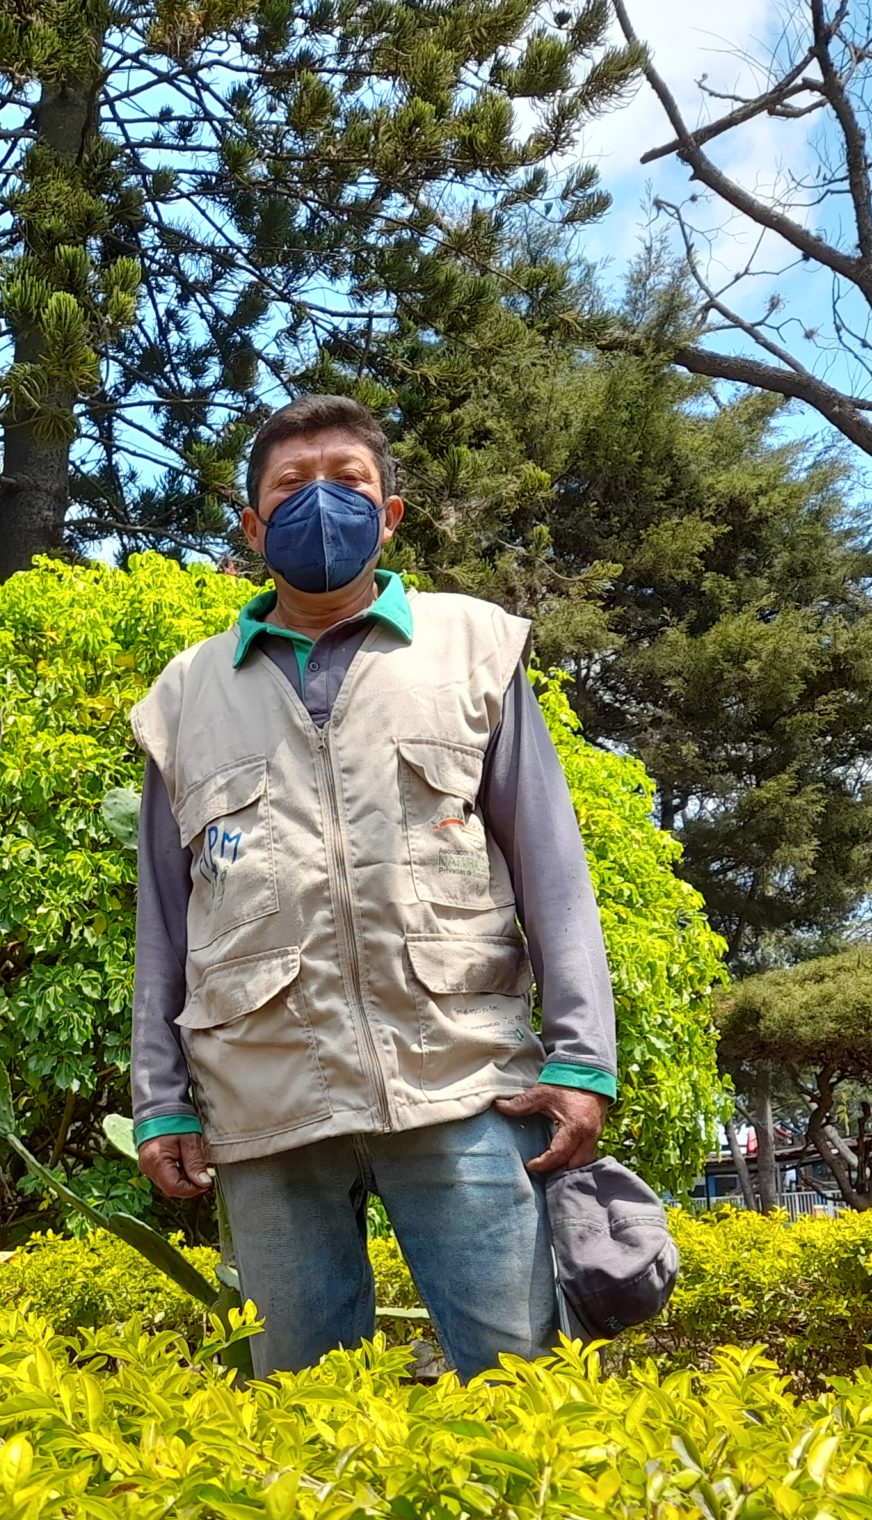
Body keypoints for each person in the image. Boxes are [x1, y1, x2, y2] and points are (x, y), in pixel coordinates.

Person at [129, 394, 620, 1378]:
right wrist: (160, 1100)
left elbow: (551, 869)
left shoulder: (472, 651)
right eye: (290, 487)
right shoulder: (184, 696)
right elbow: (164, 917)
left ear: (389, 513)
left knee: (518, 1391)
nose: (321, 503)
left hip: (462, 1077)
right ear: (252, 526)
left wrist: (580, 1059)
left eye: (347, 483)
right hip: (264, 1095)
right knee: (306, 1416)